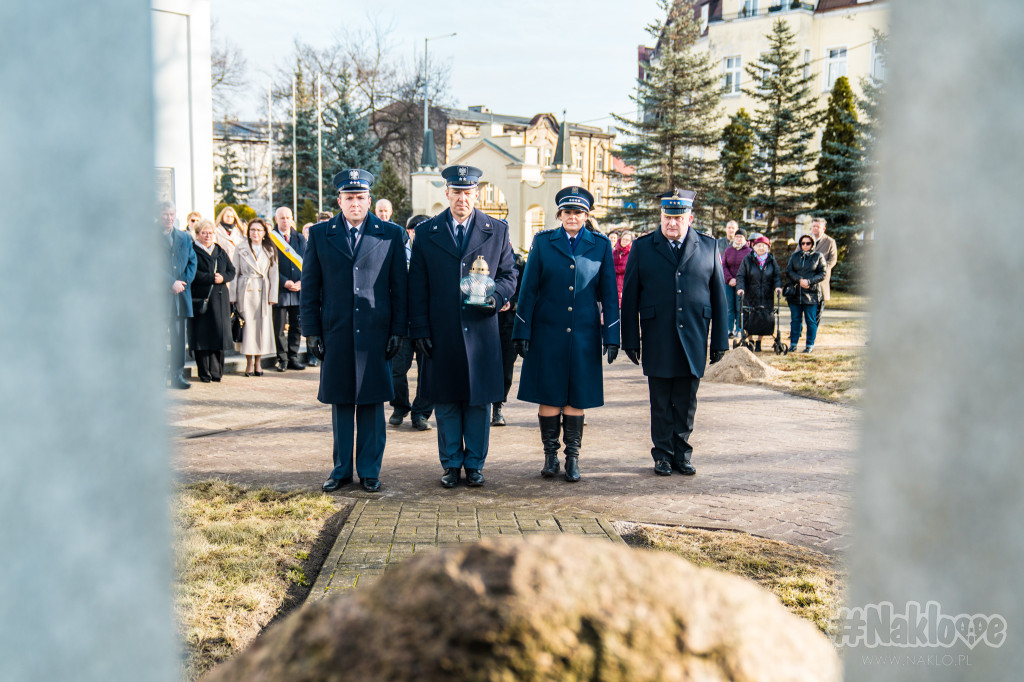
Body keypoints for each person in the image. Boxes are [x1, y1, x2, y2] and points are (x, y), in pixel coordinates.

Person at [408, 164, 517, 489]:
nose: (462, 198)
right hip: (442, 332)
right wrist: (420, 330)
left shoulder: (496, 230)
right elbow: (418, 286)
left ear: (476, 194)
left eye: (468, 192)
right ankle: (451, 464)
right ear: (447, 194)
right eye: (456, 192)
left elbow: (509, 275)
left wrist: (496, 298)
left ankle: (475, 464)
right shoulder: (429, 232)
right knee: (446, 402)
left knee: (479, 403)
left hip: (482, 331)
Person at [301, 169, 407, 494]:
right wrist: (312, 331)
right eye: (349, 198)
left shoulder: (391, 233)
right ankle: (342, 470)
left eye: (361, 197)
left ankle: (370, 470)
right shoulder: (321, 234)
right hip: (337, 333)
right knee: (342, 404)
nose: (355, 203)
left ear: (369, 200)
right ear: (339, 201)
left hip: (376, 334)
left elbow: (399, 288)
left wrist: (397, 331)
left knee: (373, 406)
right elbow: (310, 288)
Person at [512, 186, 619, 482]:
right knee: (548, 394)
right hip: (547, 333)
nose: (573, 217)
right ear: (559, 214)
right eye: (568, 212)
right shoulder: (544, 242)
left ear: (586, 216)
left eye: (579, 212)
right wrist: (522, 329)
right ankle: (550, 457)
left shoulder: (600, 245)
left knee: (576, 397)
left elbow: (609, 293)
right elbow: (528, 288)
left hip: (584, 334)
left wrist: (611, 335)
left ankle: (573, 458)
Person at [620, 189, 728, 477]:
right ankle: (663, 455)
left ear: (690, 218)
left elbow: (719, 298)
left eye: (678, 218)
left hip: (693, 336)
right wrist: (629, 339)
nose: (672, 223)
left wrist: (720, 340)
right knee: (660, 401)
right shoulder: (643, 248)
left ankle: (683, 453)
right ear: (661, 217)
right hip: (658, 336)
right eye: (667, 217)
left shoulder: (708, 246)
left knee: (686, 401)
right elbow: (629, 297)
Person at [389, 214, 434, 431]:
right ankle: (400, 406)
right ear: (409, 231)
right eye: (416, 229)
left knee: (427, 372)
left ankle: (421, 414)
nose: (420, 232)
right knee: (397, 370)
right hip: (403, 323)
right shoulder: (397, 253)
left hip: (427, 323)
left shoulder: (434, 253)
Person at [189, 219, 236, 382]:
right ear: (197, 234)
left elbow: (232, 271)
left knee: (218, 335)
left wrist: (223, 277)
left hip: (220, 299)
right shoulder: (192, 250)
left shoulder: (220, 250)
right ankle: (204, 372)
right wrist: (211, 277)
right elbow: (192, 273)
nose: (208, 235)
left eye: (210, 232)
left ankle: (217, 372)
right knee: (201, 337)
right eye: (204, 233)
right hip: (201, 299)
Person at [232, 218, 278, 376]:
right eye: (252, 230)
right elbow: (234, 272)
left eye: (259, 230)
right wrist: (233, 296)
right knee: (248, 328)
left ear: (264, 233)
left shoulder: (270, 249)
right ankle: (249, 363)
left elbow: (274, 275)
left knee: (261, 328)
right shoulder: (240, 248)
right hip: (245, 291)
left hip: (263, 292)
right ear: (248, 232)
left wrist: (273, 295)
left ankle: (259, 362)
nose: (255, 233)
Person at [162, 202, 196, 389]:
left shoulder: (184, 237)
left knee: (178, 339)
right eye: (165, 214)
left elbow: (192, 262)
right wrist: (169, 282)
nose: (169, 217)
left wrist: (182, 283)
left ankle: (177, 375)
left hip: (180, 297)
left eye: (171, 214)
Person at [271, 206, 306, 372]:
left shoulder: (299, 238)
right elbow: (269, 265)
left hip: (298, 290)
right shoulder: (271, 238)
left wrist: (301, 282)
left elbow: (307, 262)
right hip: (281, 289)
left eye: (288, 218)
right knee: (279, 327)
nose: (285, 221)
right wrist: (284, 281)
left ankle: (293, 356)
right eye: (282, 218)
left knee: (297, 325)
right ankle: (282, 358)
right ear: (276, 219)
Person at [494, 249, 526, 426]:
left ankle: (497, 406)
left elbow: (526, 290)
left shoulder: (518, 262)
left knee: (506, 366)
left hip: (509, 322)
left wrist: (512, 302)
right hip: (484, 320)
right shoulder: (481, 255)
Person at [735, 235, 783, 352]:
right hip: (751, 293)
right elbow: (741, 275)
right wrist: (740, 288)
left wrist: (777, 287)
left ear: (768, 248)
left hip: (766, 294)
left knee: (764, 317)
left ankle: (759, 342)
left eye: (764, 246)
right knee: (749, 316)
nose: (761, 248)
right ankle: (750, 340)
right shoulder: (748, 259)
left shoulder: (771, 260)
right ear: (754, 247)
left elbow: (777, 275)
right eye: (759, 246)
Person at [784, 235, 826, 353]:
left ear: (812, 244)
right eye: (803, 243)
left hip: (811, 294)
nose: (805, 245)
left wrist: (809, 281)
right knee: (795, 320)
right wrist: (799, 280)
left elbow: (823, 273)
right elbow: (788, 271)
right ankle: (793, 343)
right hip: (796, 293)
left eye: (808, 243)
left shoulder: (818, 256)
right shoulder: (795, 256)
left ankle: (809, 345)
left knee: (811, 320)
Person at [722, 228, 751, 339]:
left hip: (742, 284)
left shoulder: (749, 252)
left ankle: (739, 329)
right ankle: (729, 329)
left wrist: (738, 281)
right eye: (737, 236)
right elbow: (723, 265)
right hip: (729, 283)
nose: (738, 239)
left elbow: (748, 269)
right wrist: (729, 279)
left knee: (740, 307)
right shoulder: (728, 250)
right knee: (730, 308)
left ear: (745, 239)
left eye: (741, 237)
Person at [811, 217, 838, 322]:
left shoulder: (830, 241)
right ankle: (797, 331)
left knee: (818, 307)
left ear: (823, 229)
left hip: (821, 280)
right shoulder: (806, 240)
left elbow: (833, 260)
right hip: (806, 278)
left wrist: (821, 268)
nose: (815, 228)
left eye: (818, 226)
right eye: (813, 226)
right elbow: (796, 255)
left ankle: (813, 332)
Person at [613, 230, 633, 307]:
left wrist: (614, 269)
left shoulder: (632, 252)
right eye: (623, 239)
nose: (624, 241)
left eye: (627, 240)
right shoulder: (615, 252)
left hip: (625, 281)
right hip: (614, 281)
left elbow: (626, 267)